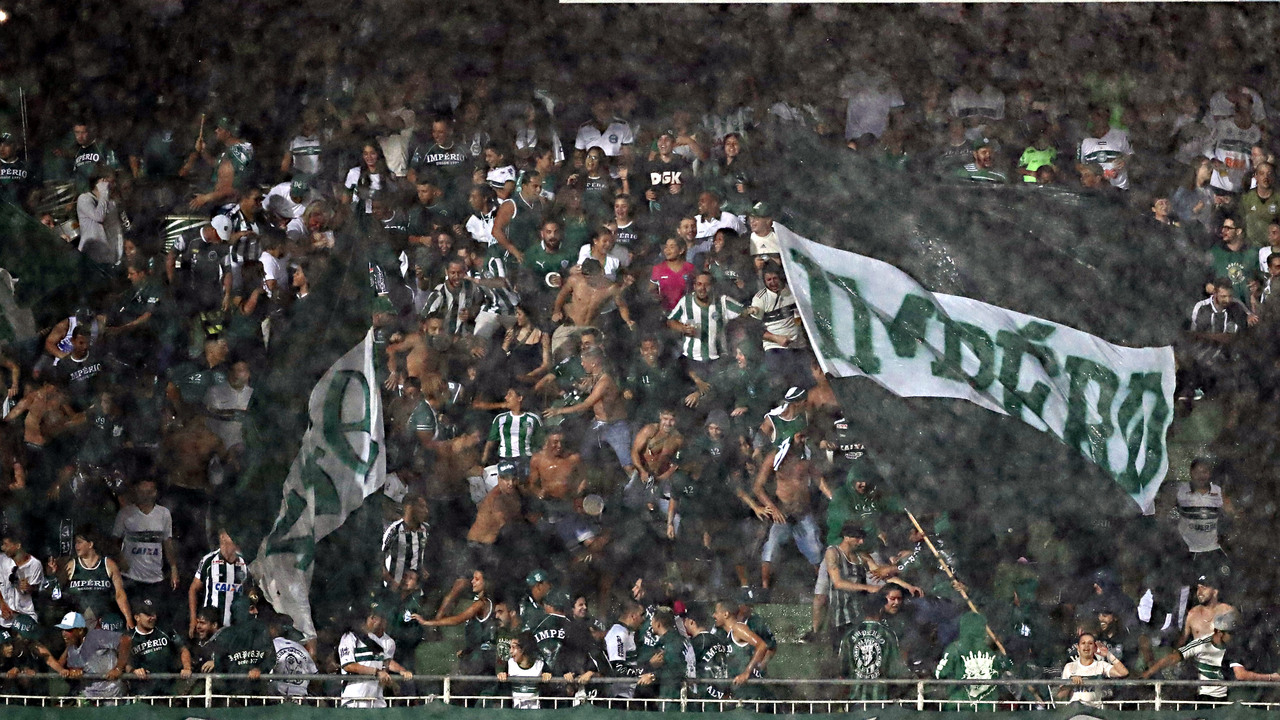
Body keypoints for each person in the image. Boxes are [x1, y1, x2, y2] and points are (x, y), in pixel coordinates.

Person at [111, 478, 178, 607]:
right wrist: (119, 562)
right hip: (130, 577)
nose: (146, 495)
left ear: (155, 492)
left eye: (149, 491)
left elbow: (167, 543)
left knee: (153, 613)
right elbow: (114, 542)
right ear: (136, 491)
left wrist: (174, 568)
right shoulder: (125, 513)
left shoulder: (164, 514)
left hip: (155, 577)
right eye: (142, 491)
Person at [1141, 610, 1236, 700]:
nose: (1233, 636)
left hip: (1228, 696)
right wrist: (1149, 673)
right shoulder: (1201, 645)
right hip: (1206, 697)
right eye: (1230, 633)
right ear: (1219, 632)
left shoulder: (1233, 648)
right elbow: (1172, 658)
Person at [338, 601, 414, 708]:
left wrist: (402, 670)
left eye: (376, 617)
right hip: (354, 700)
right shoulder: (349, 637)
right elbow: (348, 665)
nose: (375, 621)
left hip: (376, 701)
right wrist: (376, 672)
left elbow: (385, 661)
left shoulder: (377, 640)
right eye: (372, 617)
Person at [115, 597, 193, 696]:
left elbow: (183, 649)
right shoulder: (129, 638)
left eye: (153, 614)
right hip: (143, 692)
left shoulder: (165, 630)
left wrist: (187, 667)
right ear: (137, 617)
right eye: (148, 615)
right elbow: (125, 662)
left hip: (169, 690)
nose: (153, 617)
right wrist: (134, 671)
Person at [934, 612, 1013, 708]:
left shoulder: (954, 649)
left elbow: (940, 674)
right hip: (988, 707)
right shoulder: (992, 650)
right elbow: (1006, 667)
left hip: (959, 707)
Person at [65, 526, 132, 631]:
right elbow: (58, 591)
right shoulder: (71, 566)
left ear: (90, 544)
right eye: (75, 543)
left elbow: (119, 594)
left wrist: (128, 618)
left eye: (79, 542)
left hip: (104, 622)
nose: (76, 546)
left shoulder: (108, 565)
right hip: (79, 624)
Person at [189, 528, 250, 635]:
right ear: (222, 537)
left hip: (235, 628)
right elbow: (193, 589)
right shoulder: (209, 560)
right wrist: (193, 619)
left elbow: (248, 591)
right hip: (212, 627)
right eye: (230, 535)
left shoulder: (244, 562)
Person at [1057, 631, 1128, 707]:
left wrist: (1108, 654)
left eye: (1090, 643)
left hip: (1093, 710)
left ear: (1094, 647)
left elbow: (1123, 673)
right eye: (1083, 643)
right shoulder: (1069, 667)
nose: (1086, 646)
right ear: (1078, 647)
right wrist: (1071, 683)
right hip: (1073, 711)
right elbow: (1060, 696)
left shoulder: (1101, 665)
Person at [381, 492, 430, 590]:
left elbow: (419, 554)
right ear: (409, 508)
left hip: (416, 586)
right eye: (421, 507)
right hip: (396, 587)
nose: (426, 511)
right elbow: (378, 559)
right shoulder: (394, 530)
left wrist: (422, 569)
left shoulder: (425, 529)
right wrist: (390, 580)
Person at [0, 531, 42, 633]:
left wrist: (29, 588)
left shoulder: (35, 564)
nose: (3, 548)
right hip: (4, 618)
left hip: (25, 617)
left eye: (6, 545)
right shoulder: (2, 560)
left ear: (18, 545)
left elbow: (38, 593)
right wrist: (2, 605)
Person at [499, 630, 552, 709]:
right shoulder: (510, 664)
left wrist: (547, 677)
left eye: (513, 647)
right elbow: (502, 690)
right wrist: (502, 677)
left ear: (523, 649)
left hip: (536, 713)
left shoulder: (540, 665)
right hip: (515, 712)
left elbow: (549, 691)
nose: (510, 651)